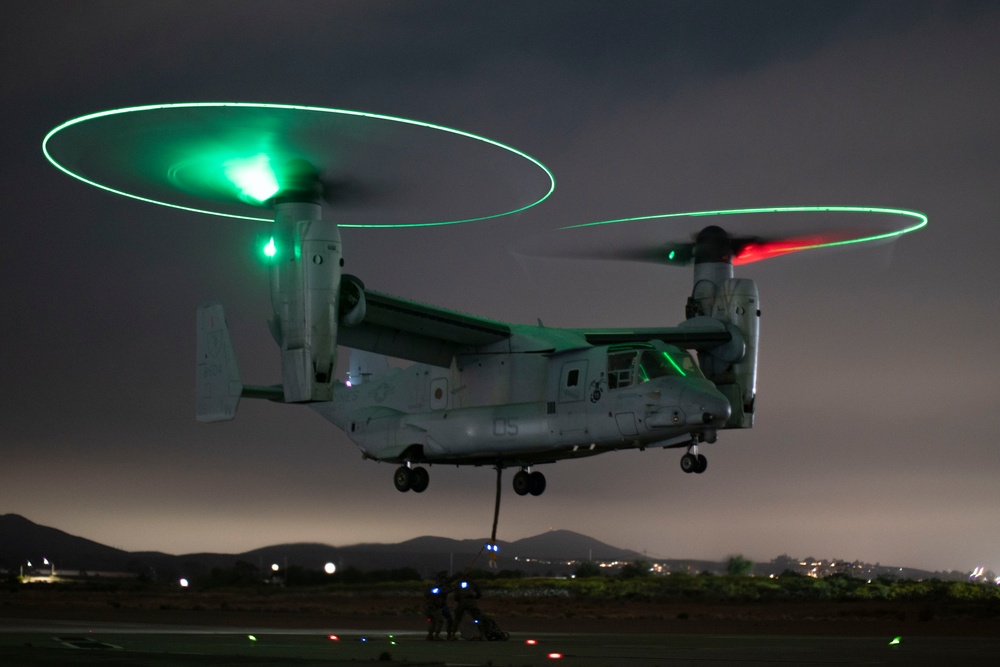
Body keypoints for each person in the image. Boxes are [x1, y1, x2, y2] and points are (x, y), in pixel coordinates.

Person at [423, 572, 452, 640]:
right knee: (439, 621)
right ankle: (436, 635)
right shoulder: (438, 588)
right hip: (434, 607)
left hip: (430, 607)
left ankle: (430, 635)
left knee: (432, 621)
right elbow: (446, 591)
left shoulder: (433, 588)